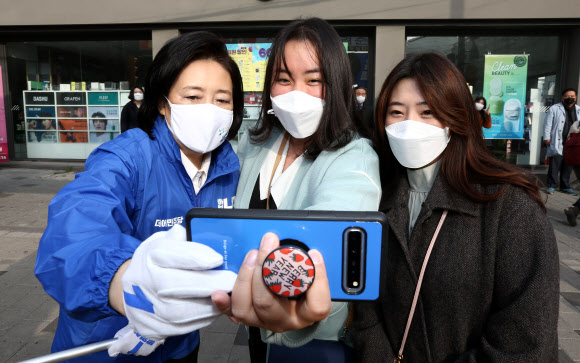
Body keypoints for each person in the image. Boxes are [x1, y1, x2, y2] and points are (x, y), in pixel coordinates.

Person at [34, 31, 244, 362]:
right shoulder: (127, 157)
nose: (209, 109)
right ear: (163, 103)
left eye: (222, 99)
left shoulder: (231, 170)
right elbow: (74, 227)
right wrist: (123, 285)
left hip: (180, 344)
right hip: (106, 346)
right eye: (192, 96)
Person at [350, 52, 559, 362]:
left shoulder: (510, 206)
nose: (410, 125)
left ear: (455, 118)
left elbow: (526, 340)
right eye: (397, 111)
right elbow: (363, 307)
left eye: (428, 112)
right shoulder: (374, 195)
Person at [211, 17, 381, 363]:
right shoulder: (256, 142)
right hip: (254, 323)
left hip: (313, 339)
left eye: (313, 80)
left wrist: (295, 310)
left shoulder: (354, 156)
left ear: (336, 84)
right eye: (284, 79)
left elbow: (332, 251)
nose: (296, 93)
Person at [543, 87, 580, 195]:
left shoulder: (578, 109)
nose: (570, 98)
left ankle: (565, 186)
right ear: (562, 97)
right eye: (567, 96)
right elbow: (547, 124)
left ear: (576, 97)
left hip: (572, 142)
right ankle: (551, 185)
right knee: (555, 164)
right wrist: (547, 137)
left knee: (568, 165)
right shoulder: (555, 108)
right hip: (557, 139)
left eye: (572, 96)